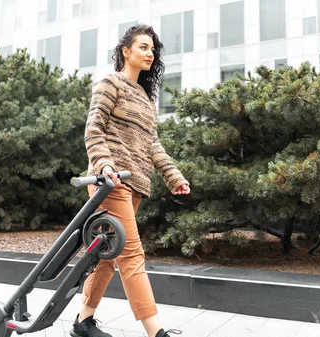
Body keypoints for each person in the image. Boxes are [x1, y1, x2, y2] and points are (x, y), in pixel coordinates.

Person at [70, 24, 190, 337]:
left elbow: (152, 143)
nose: (150, 54)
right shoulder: (111, 84)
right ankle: (156, 332)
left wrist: (172, 174)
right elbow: (93, 130)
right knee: (132, 254)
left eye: (153, 49)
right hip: (109, 181)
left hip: (133, 184)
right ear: (126, 51)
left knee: (108, 253)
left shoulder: (148, 100)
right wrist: (105, 164)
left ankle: (83, 322)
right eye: (143, 47)